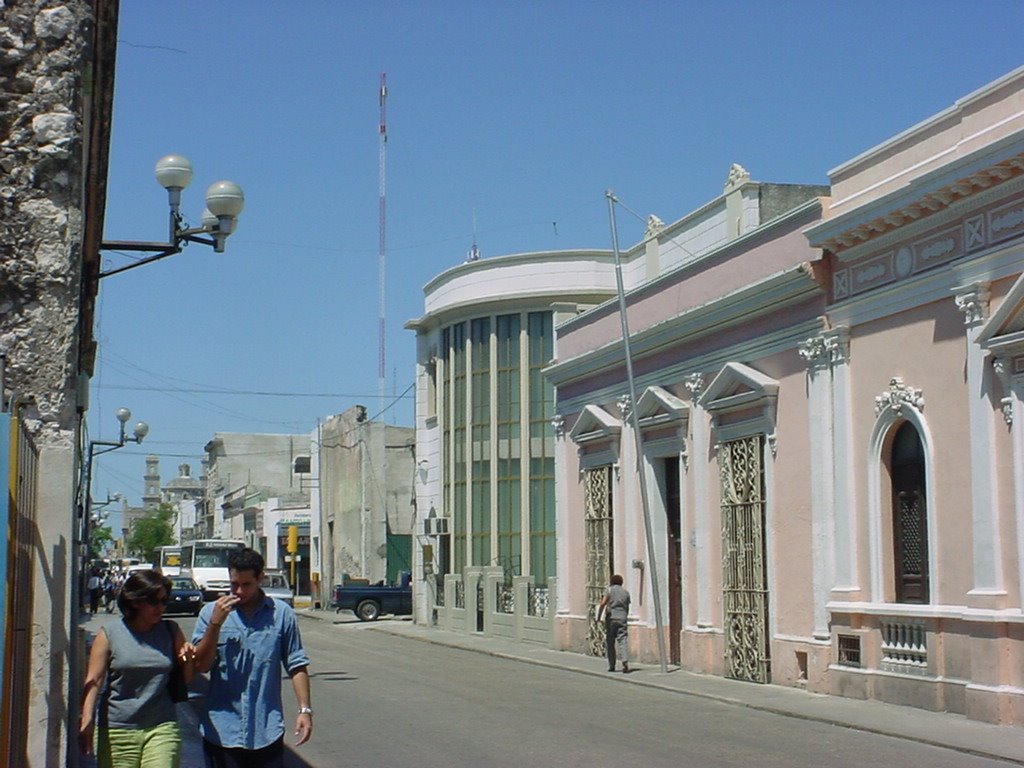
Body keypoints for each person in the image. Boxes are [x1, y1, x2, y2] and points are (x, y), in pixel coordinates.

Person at [193, 547, 312, 767]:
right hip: (222, 733)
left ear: (260, 578)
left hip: (266, 731)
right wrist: (215, 625)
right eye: (234, 584)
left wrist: (305, 710)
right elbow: (201, 665)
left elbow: (296, 665)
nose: (238, 591)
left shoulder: (281, 614)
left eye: (246, 584)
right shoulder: (211, 613)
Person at [78, 569, 196, 767]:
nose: (161, 607)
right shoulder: (110, 634)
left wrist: (188, 659)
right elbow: (95, 679)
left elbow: (187, 679)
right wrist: (87, 718)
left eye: (164, 601)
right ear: (135, 601)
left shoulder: (171, 630)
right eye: (153, 602)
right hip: (118, 729)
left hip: (162, 725)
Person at [596, 573, 631, 673]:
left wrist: (599, 616)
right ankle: (625, 660)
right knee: (622, 639)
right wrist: (625, 616)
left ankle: (612, 665)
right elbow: (627, 606)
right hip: (622, 618)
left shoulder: (609, 590)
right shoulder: (626, 592)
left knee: (610, 641)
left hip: (611, 618)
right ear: (621, 582)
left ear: (612, 582)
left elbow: (603, 603)